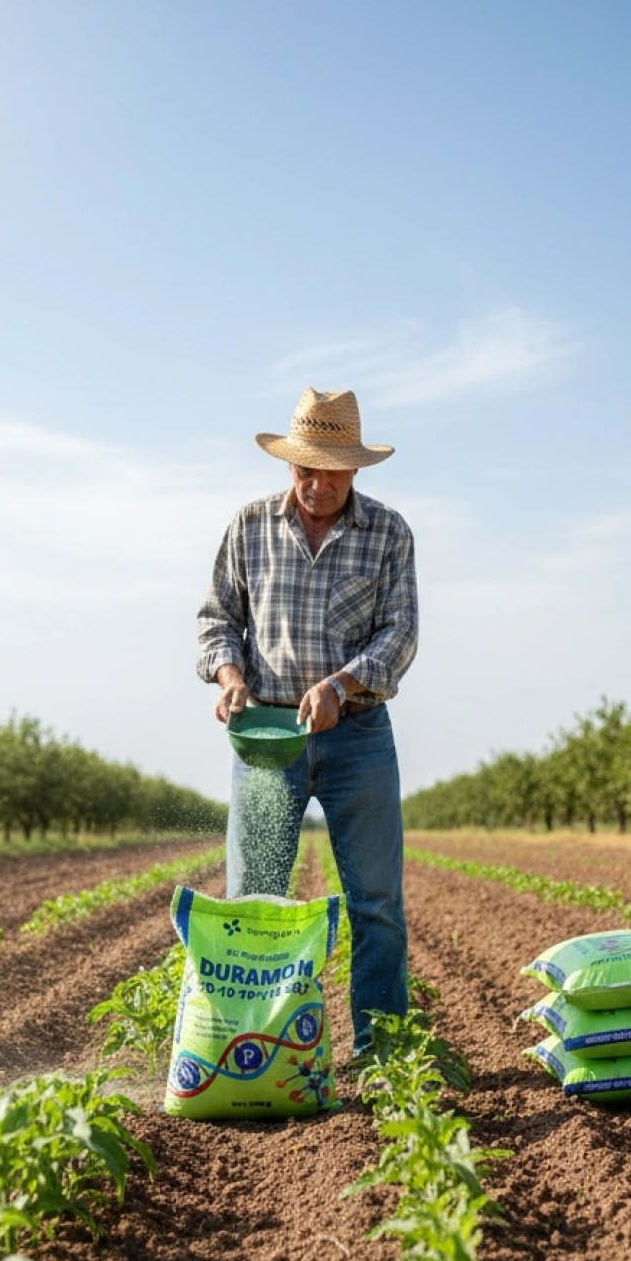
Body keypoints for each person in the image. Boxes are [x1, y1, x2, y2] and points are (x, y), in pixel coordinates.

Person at [196, 387, 418, 1056]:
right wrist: (230, 677)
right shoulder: (248, 526)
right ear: (288, 465)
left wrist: (340, 684)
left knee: (375, 901)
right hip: (268, 737)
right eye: (304, 469)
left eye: (331, 470)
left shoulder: (388, 533)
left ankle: (381, 1053)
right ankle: (248, 1050)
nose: (317, 485)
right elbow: (217, 622)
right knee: (253, 900)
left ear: (355, 468)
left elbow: (399, 634)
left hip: (357, 735)